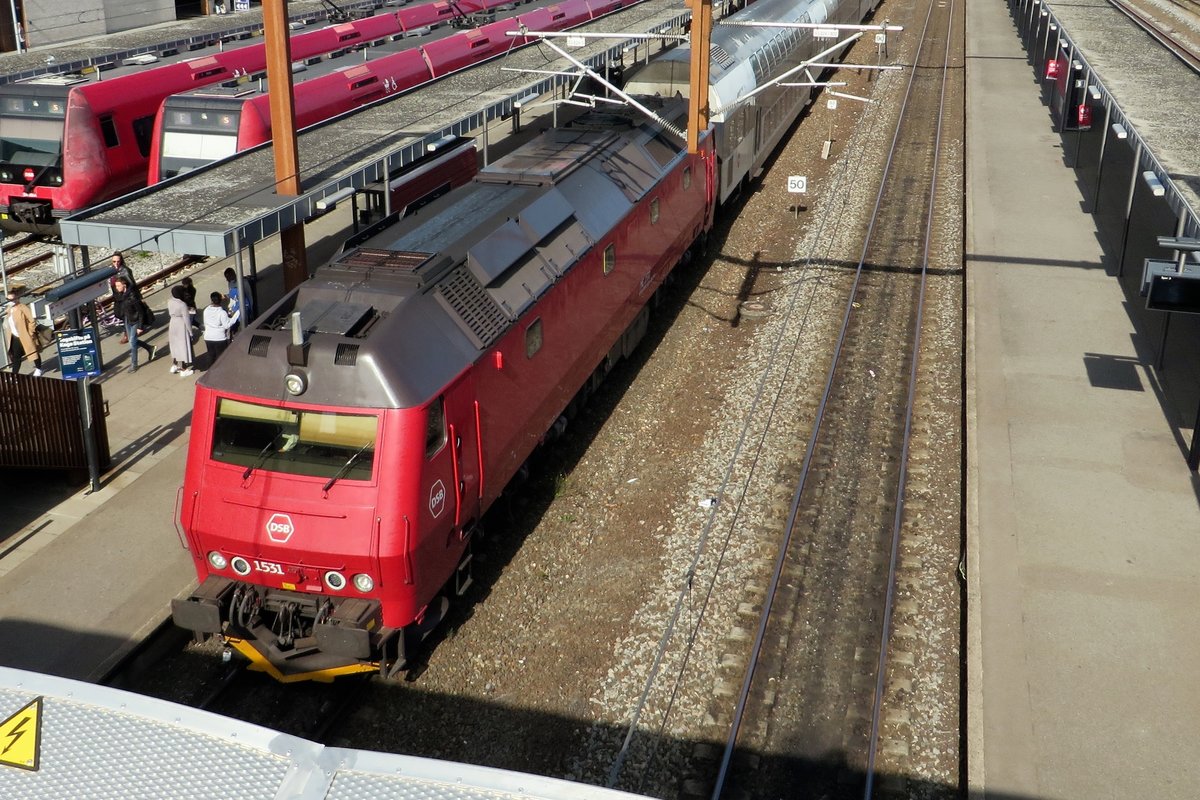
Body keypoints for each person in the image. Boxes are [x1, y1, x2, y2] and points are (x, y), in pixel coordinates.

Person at [112, 277, 155, 372]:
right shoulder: (122, 295)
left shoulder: (133, 296)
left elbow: (140, 312)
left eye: (118, 286)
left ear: (124, 285)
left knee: (132, 342)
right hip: (128, 320)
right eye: (116, 286)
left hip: (135, 321)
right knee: (133, 340)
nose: (117, 288)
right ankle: (150, 348)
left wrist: (140, 327)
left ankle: (134, 364)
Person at [3, 290, 43, 376]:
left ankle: (39, 368)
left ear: (17, 298)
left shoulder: (23, 307)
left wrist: (30, 332)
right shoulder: (9, 309)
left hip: (25, 335)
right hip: (15, 336)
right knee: (16, 357)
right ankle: (14, 374)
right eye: (8, 299)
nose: (11, 301)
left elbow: (32, 320)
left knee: (32, 351)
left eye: (13, 299)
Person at [167, 285, 196, 377]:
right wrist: (191, 332)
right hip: (181, 324)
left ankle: (174, 365)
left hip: (172, 323)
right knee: (182, 346)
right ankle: (184, 368)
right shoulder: (182, 304)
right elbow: (187, 319)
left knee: (174, 345)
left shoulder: (170, 301)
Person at [203, 291, 238, 366]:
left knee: (211, 355)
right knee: (221, 357)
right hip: (219, 338)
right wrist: (236, 315)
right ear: (220, 301)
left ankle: (210, 372)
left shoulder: (206, 310)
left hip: (208, 337)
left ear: (212, 300)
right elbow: (227, 325)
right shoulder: (222, 312)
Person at [109, 253, 136, 344]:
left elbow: (132, 284)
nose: (116, 263)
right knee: (118, 314)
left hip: (124, 296)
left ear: (121, 261)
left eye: (118, 261)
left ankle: (127, 333)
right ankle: (130, 329)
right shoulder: (112, 270)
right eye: (114, 261)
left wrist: (126, 292)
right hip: (117, 296)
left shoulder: (125, 270)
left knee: (125, 314)